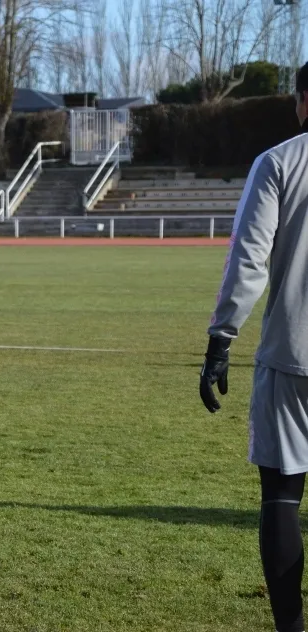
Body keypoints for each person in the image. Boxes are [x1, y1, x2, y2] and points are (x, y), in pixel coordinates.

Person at [200, 62, 308, 632]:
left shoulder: (280, 161)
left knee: (283, 498)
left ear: (303, 101)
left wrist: (222, 337)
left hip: (293, 353)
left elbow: (248, 257)